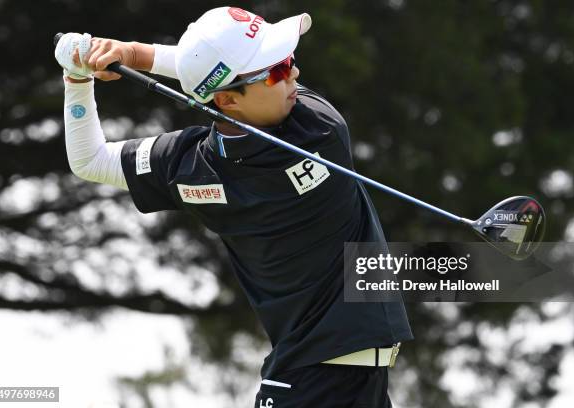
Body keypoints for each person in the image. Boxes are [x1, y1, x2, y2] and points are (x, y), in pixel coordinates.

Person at [55, 6, 413, 408]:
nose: (293, 74)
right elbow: (195, 75)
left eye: (289, 61)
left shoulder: (188, 166)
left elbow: (90, 160)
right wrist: (136, 56)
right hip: (319, 383)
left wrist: (77, 78)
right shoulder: (319, 131)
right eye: (276, 71)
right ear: (227, 99)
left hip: (333, 381)